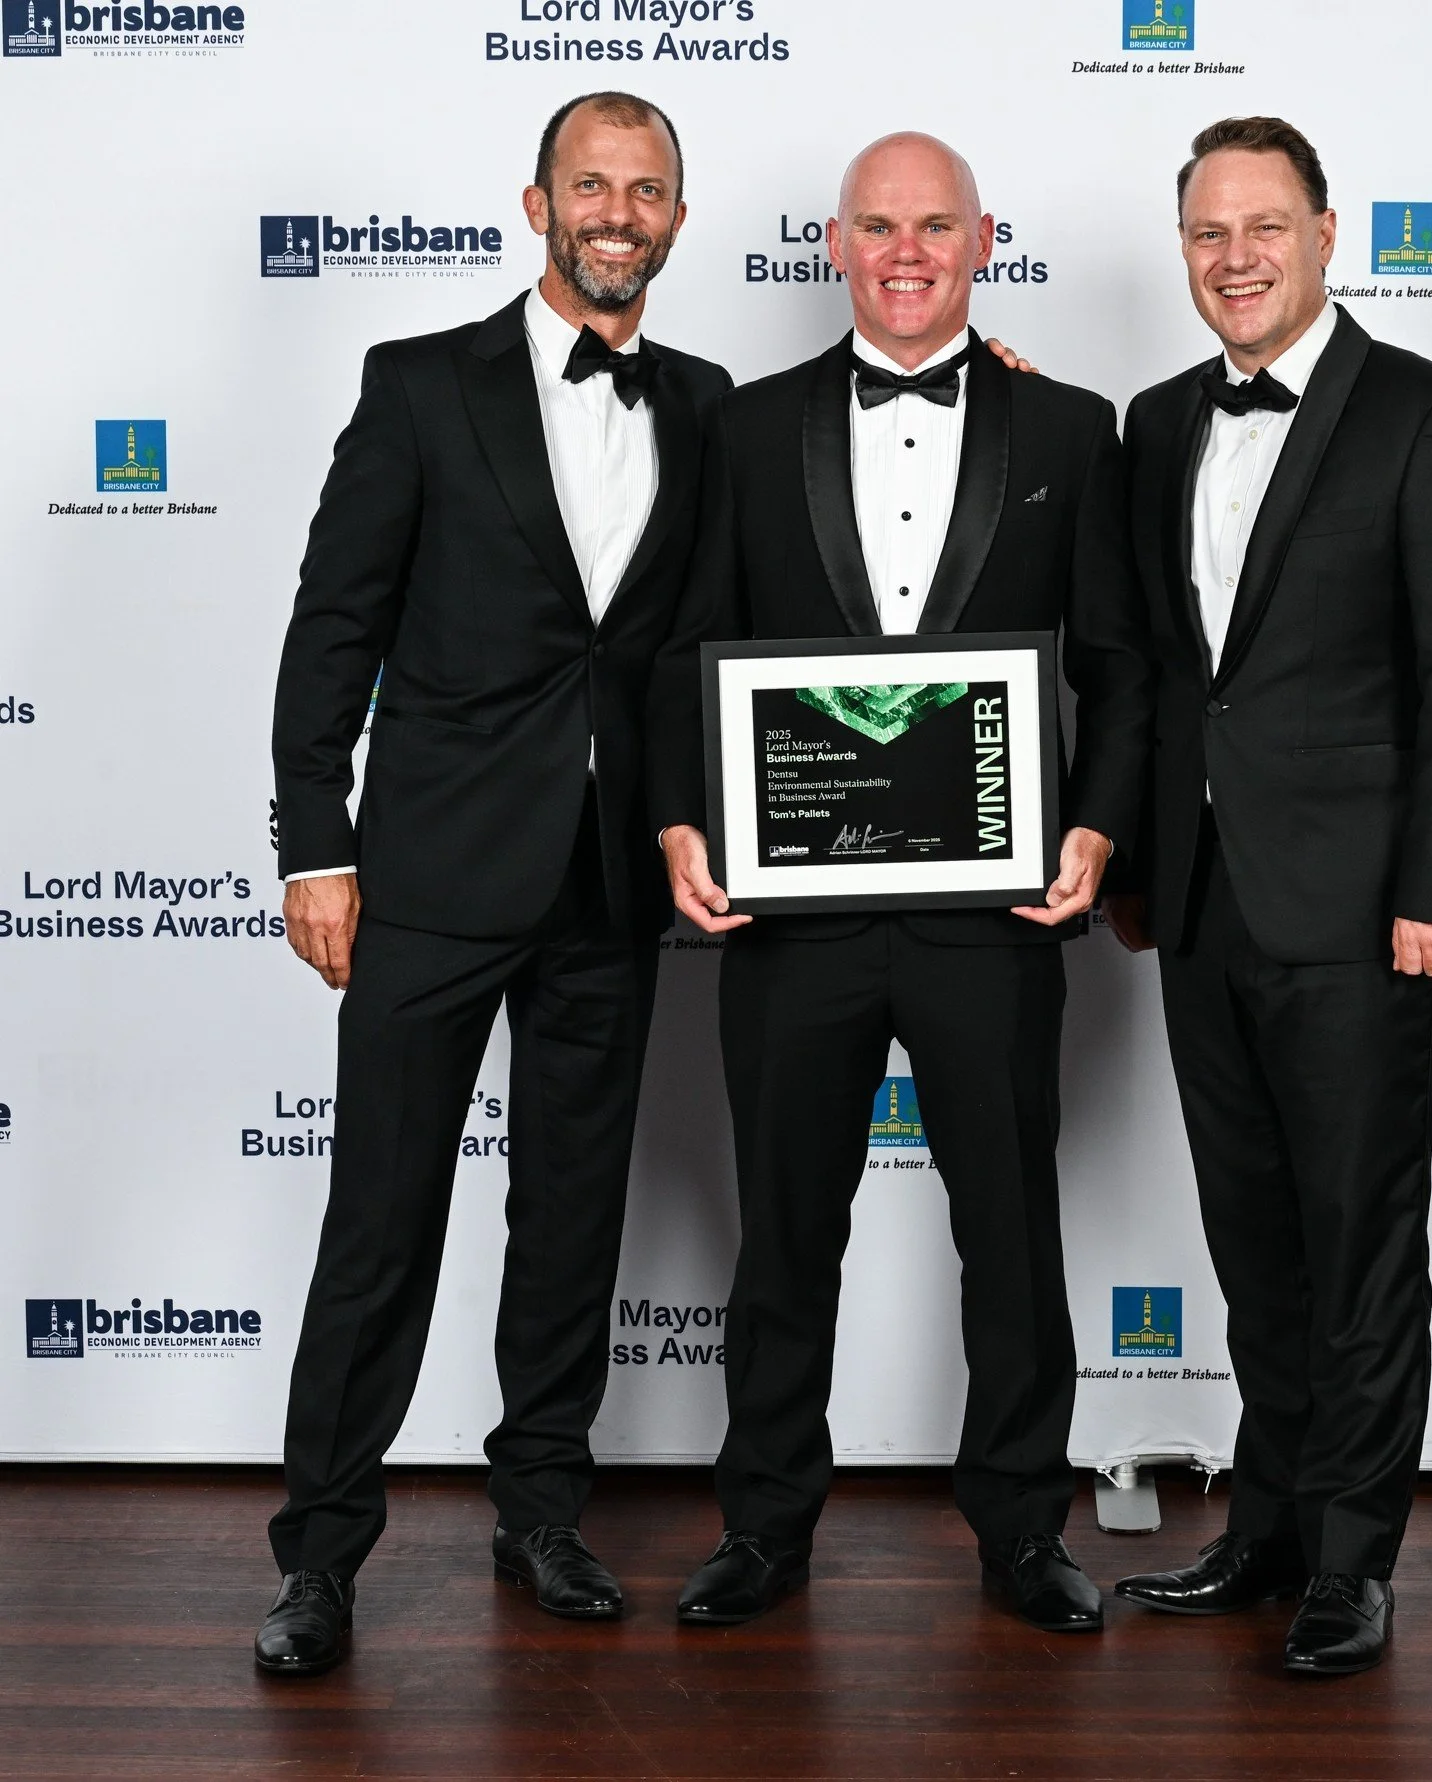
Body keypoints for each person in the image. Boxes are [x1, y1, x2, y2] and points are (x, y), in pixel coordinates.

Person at [647, 132, 1154, 1634]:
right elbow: (682, 646)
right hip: (790, 914)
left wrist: (1097, 830)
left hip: (994, 913)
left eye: (935, 224)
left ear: (983, 240)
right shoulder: (745, 425)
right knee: (785, 1232)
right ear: (835, 243)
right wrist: (679, 823)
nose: (907, 252)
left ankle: (1023, 1529)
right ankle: (764, 1527)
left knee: (1010, 1232)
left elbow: (1122, 665)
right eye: (878, 225)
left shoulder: (1072, 426)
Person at [257, 92, 730, 1675]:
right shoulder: (418, 385)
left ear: (676, 218)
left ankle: (540, 1512)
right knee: (380, 1217)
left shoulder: (709, 402)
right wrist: (315, 842)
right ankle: (321, 1554)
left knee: (572, 1217)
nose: (617, 213)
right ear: (537, 205)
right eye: (590, 185)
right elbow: (334, 625)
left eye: (644, 190)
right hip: (430, 874)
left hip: (609, 879)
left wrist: (995, 378)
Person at [1109, 117, 1432, 1675]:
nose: (1235, 258)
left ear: (1325, 233)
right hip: (1201, 899)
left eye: (1263, 226)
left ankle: (1353, 1557)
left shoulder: (1429, 414)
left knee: (1356, 1241)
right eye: (1208, 232)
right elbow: (1160, 673)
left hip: (1363, 908)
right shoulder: (1157, 421)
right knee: (1254, 1239)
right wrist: (1139, 867)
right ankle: (1271, 1526)